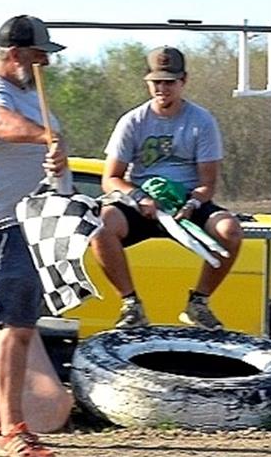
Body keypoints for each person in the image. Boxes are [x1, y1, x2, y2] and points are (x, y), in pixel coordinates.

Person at [0, 15, 70, 457]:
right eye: (39, 53)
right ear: (16, 53)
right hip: (8, 222)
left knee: (6, 325)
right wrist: (44, 135)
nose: (46, 61)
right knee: (15, 329)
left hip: (32, 220)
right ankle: (11, 430)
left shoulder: (28, 93)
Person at [91, 46, 243, 330]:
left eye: (169, 82)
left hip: (184, 203)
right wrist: (139, 197)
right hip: (142, 204)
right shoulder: (132, 121)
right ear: (147, 82)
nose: (162, 88)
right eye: (156, 82)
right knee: (100, 226)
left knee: (230, 231)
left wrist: (192, 204)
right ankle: (131, 305)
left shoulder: (202, 121)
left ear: (183, 81)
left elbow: (207, 183)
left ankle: (199, 303)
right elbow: (111, 178)